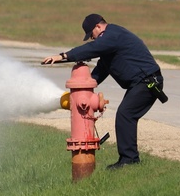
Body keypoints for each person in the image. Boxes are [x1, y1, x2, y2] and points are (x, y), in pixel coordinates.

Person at [42, 13, 165, 170]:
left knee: (125, 114)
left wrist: (63, 56)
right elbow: (100, 71)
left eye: (91, 35)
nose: (93, 39)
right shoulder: (111, 42)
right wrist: (82, 88)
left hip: (148, 82)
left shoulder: (112, 34)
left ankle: (129, 160)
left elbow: (93, 48)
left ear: (98, 27)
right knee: (126, 115)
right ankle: (129, 158)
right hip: (141, 83)